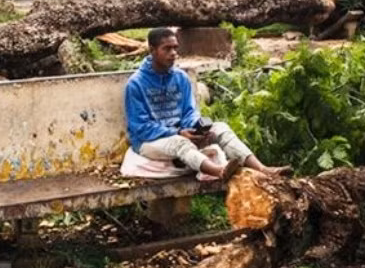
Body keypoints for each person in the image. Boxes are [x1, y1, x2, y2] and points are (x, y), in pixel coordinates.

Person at [124, 27, 291, 181]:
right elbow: (140, 127)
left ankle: (264, 169)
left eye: (175, 48)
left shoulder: (180, 77)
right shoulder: (136, 84)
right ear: (152, 50)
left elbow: (189, 112)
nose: (174, 53)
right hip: (148, 142)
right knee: (180, 143)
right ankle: (220, 171)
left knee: (220, 128)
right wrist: (178, 132)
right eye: (167, 49)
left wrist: (198, 128)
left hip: (181, 133)